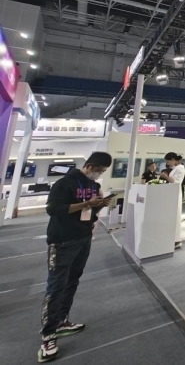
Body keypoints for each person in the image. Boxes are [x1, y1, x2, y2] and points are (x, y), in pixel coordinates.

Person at [39, 151, 113, 363]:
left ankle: (62, 320)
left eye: (103, 172)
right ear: (88, 166)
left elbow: (91, 212)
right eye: (98, 170)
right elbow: (53, 209)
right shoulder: (64, 183)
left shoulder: (92, 185)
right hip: (62, 241)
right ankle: (48, 336)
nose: (99, 174)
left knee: (72, 281)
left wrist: (99, 205)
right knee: (56, 286)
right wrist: (86, 204)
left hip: (83, 237)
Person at [163, 153, 185, 247]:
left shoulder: (180, 168)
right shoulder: (176, 168)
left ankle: (177, 240)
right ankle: (173, 238)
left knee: (176, 216)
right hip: (172, 193)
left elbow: (176, 182)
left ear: (173, 159)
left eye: (168, 161)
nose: (167, 163)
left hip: (176, 193)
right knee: (172, 216)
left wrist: (165, 177)